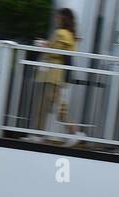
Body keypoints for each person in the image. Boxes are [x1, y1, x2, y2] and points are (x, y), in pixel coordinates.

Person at [31, 8, 79, 138]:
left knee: (43, 106)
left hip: (51, 74)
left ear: (63, 18)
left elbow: (55, 52)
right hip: (57, 75)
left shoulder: (60, 33)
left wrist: (44, 46)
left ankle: (38, 135)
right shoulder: (70, 35)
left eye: (58, 17)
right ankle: (74, 132)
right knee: (57, 108)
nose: (56, 19)